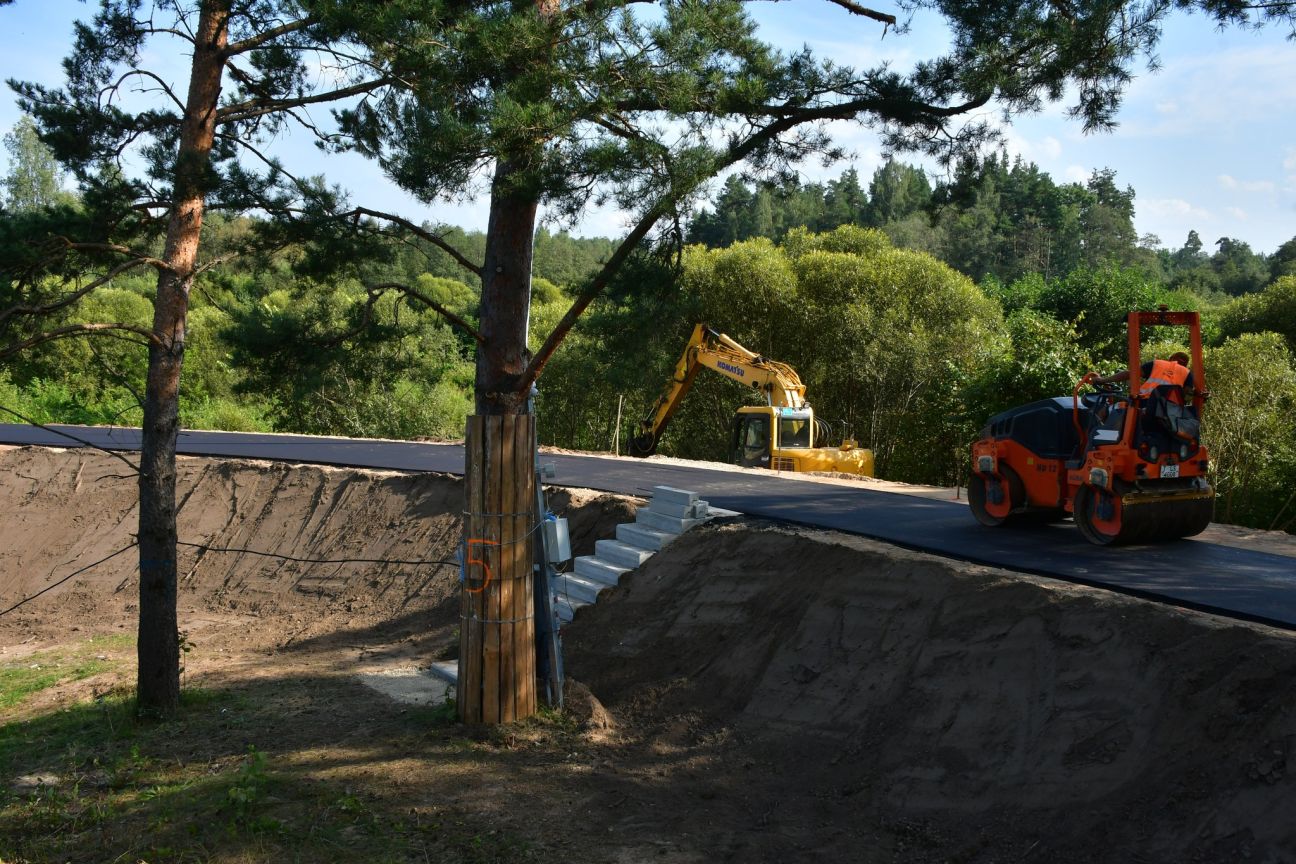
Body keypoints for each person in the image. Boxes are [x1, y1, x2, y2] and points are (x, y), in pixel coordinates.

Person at [1092, 351, 1199, 405]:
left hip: (1145, 404)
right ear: (1186, 364)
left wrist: (1103, 380)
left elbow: (1129, 374)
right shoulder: (1187, 373)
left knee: (1116, 409)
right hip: (1171, 411)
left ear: (1170, 358)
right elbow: (1187, 395)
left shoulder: (1158, 364)